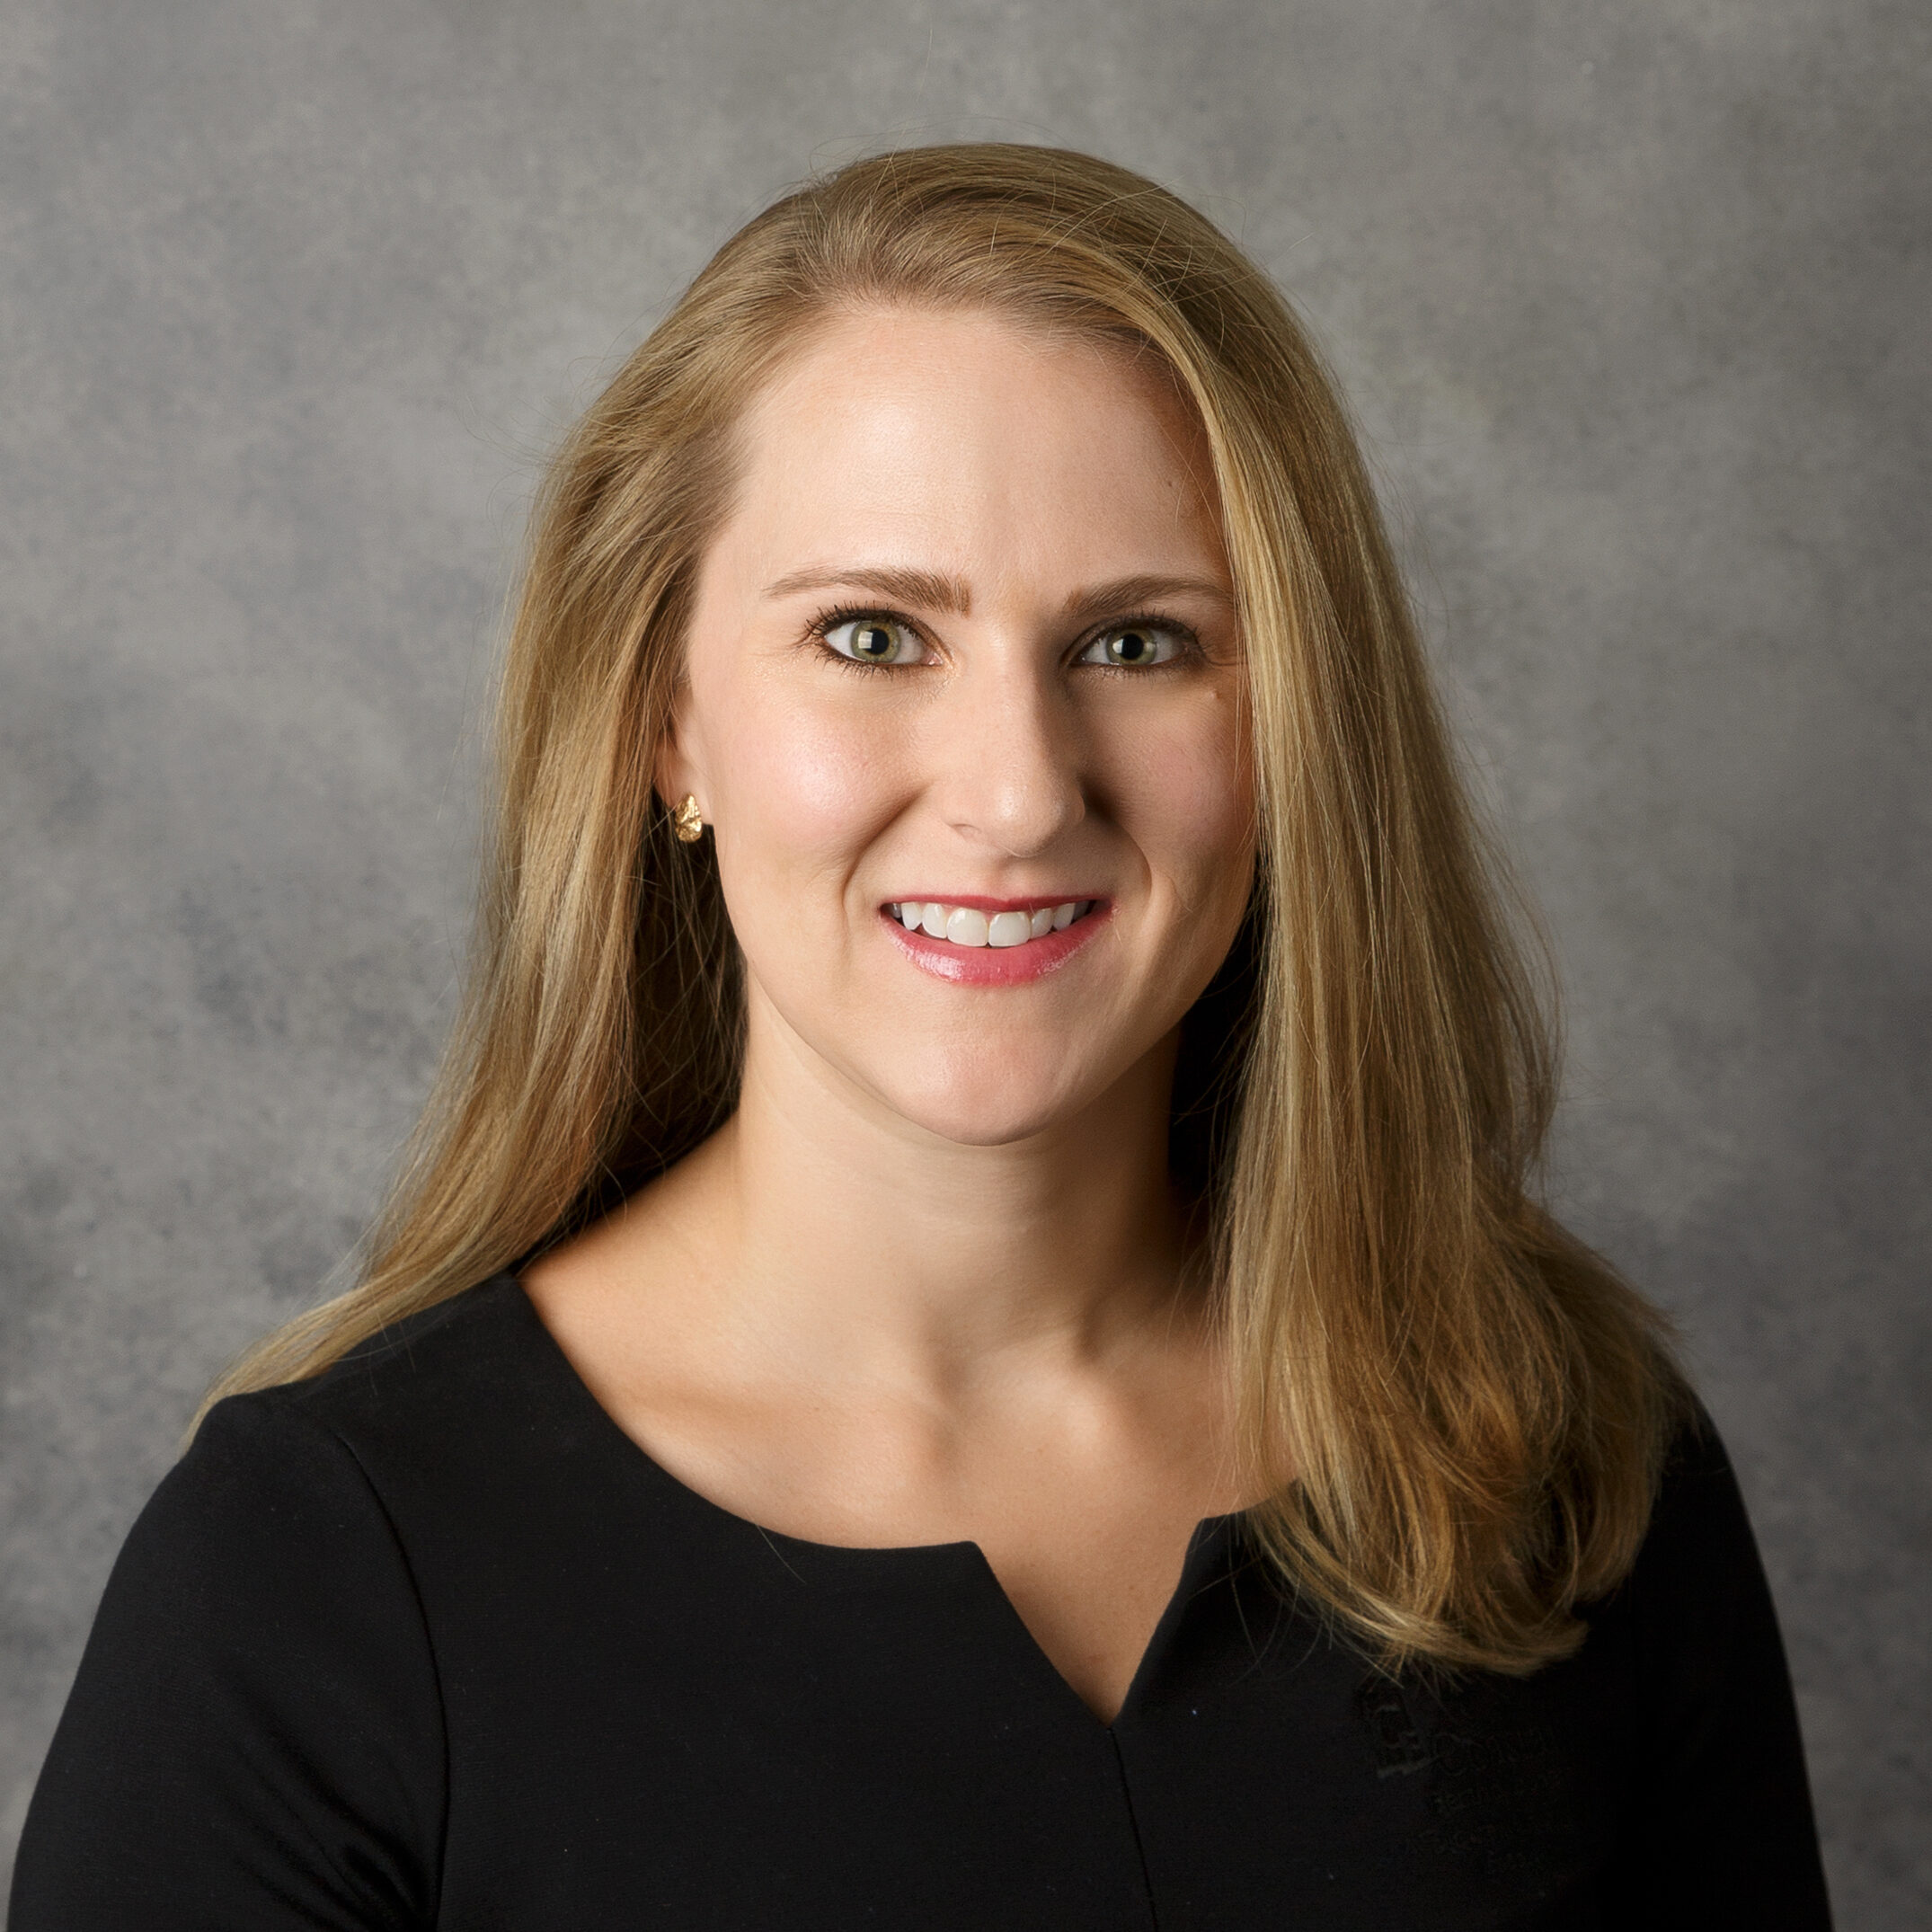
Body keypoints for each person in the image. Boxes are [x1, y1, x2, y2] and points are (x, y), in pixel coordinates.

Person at [10, 144, 1831, 1929]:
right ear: (670, 727)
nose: (1017, 794)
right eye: (873, 635)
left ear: (1295, 741)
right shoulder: (315, 1579)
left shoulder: (1560, 1459)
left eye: (1135, 645)